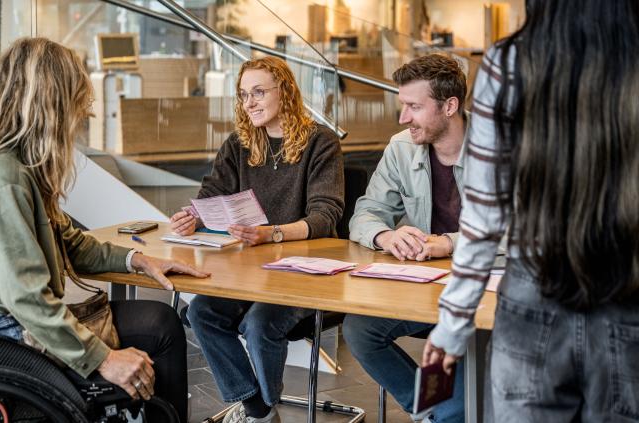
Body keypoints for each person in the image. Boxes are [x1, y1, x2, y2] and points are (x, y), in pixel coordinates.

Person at [0, 38, 209, 423]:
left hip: (13, 318)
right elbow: (27, 300)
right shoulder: (3, 182)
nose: (83, 116)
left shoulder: (20, 169)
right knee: (160, 333)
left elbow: (71, 244)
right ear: (51, 105)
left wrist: (139, 259)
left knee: (161, 322)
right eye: (77, 103)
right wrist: (105, 359)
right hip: (0, 332)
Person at [423, 1, 639, 422]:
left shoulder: (507, 62)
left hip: (533, 292)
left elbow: (484, 216)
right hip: (627, 290)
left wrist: (453, 324)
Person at [173, 56, 345, 423]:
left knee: (259, 324)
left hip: (301, 274)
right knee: (201, 312)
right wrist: (193, 216)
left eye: (258, 93)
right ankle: (259, 409)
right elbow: (211, 194)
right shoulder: (239, 143)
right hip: (248, 272)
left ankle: (258, 410)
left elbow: (325, 216)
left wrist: (273, 234)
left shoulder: (321, 142)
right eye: (243, 95)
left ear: (286, 92)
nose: (249, 103)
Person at [343, 54, 467, 423]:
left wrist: (449, 243)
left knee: (458, 377)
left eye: (414, 106)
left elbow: (523, 230)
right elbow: (365, 214)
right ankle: (429, 409)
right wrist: (385, 235)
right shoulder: (401, 146)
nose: (403, 117)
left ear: (449, 106)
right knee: (360, 329)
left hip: (481, 292)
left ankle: (446, 412)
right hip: (425, 288)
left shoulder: (501, 149)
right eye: (403, 105)